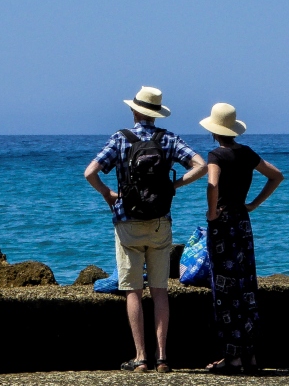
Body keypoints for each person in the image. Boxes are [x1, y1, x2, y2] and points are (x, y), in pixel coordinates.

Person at [84, 86, 207, 373]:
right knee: (160, 290)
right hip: (160, 222)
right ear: (156, 113)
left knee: (132, 291)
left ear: (135, 110)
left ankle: (141, 358)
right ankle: (162, 357)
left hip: (127, 222)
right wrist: (174, 186)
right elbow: (200, 165)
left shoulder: (120, 138)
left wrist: (107, 193)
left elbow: (89, 172)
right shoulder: (169, 139)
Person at [199, 103, 284, 374]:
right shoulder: (247, 154)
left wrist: (211, 213)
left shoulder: (216, 155)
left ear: (214, 131)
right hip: (242, 223)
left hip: (223, 224)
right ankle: (250, 356)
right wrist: (253, 204)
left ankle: (232, 358)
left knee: (225, 290)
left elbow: (212, 185)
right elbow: (276, 176)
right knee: (246, 287)